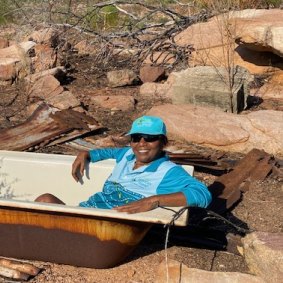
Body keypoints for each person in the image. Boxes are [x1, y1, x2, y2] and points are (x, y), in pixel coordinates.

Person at [35, 115, 212, 213]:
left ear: (162, 142)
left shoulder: (167, 172)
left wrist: (154, 201)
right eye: (136, 138)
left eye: (150, 138)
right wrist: (86, 153)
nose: (141, 143)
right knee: (45, 199)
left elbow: (203, 194)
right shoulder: (127, 155)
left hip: (107, 223)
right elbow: (109, 152)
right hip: (86, 210)